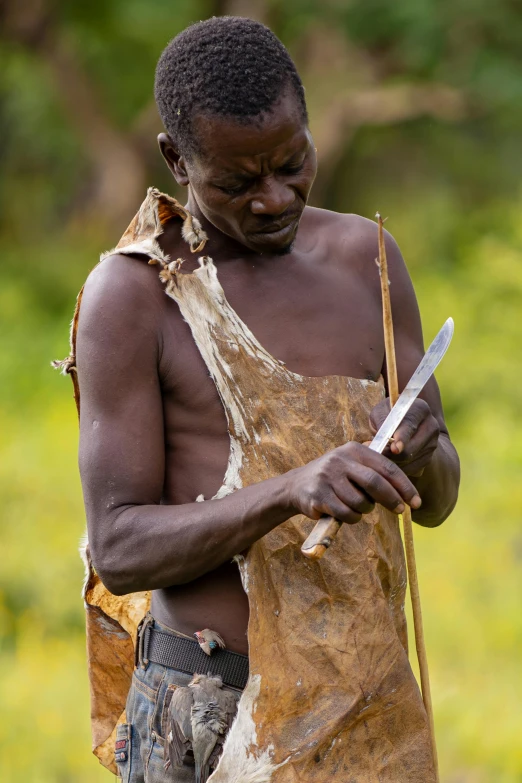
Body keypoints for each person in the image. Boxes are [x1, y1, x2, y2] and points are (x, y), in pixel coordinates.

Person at [64, 15, 459, 783]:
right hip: (213, 712)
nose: (275, 198)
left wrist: (425, 446)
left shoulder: (365, 258)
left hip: (370, 700)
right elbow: (118, 548)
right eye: (239, 182)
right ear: (177, 160)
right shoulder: (136, 295)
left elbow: (437, 501)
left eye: (292, 162)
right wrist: (288, 490)